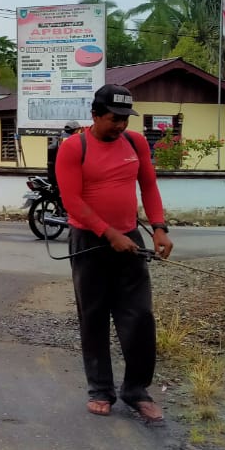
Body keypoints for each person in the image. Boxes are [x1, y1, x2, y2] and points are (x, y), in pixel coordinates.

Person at [55, 84, 173, 422]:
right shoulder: (73, 148)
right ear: (95, 115)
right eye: (113, 119)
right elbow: (72, 201)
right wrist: (109, 234)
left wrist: (160, 227)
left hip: (129, 240)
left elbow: (148, 185)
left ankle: (136, 390)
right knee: (93, 317)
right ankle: (100, 390)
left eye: (124, 118)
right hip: (90, 241)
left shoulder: (135, 143)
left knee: (140, 317)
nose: (120, 125)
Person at [45, 120, 81, 189]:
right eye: (78, 130)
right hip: (69, 175)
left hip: (55, 173)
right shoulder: (74, 139)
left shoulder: (59, 139)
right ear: (76, 130)